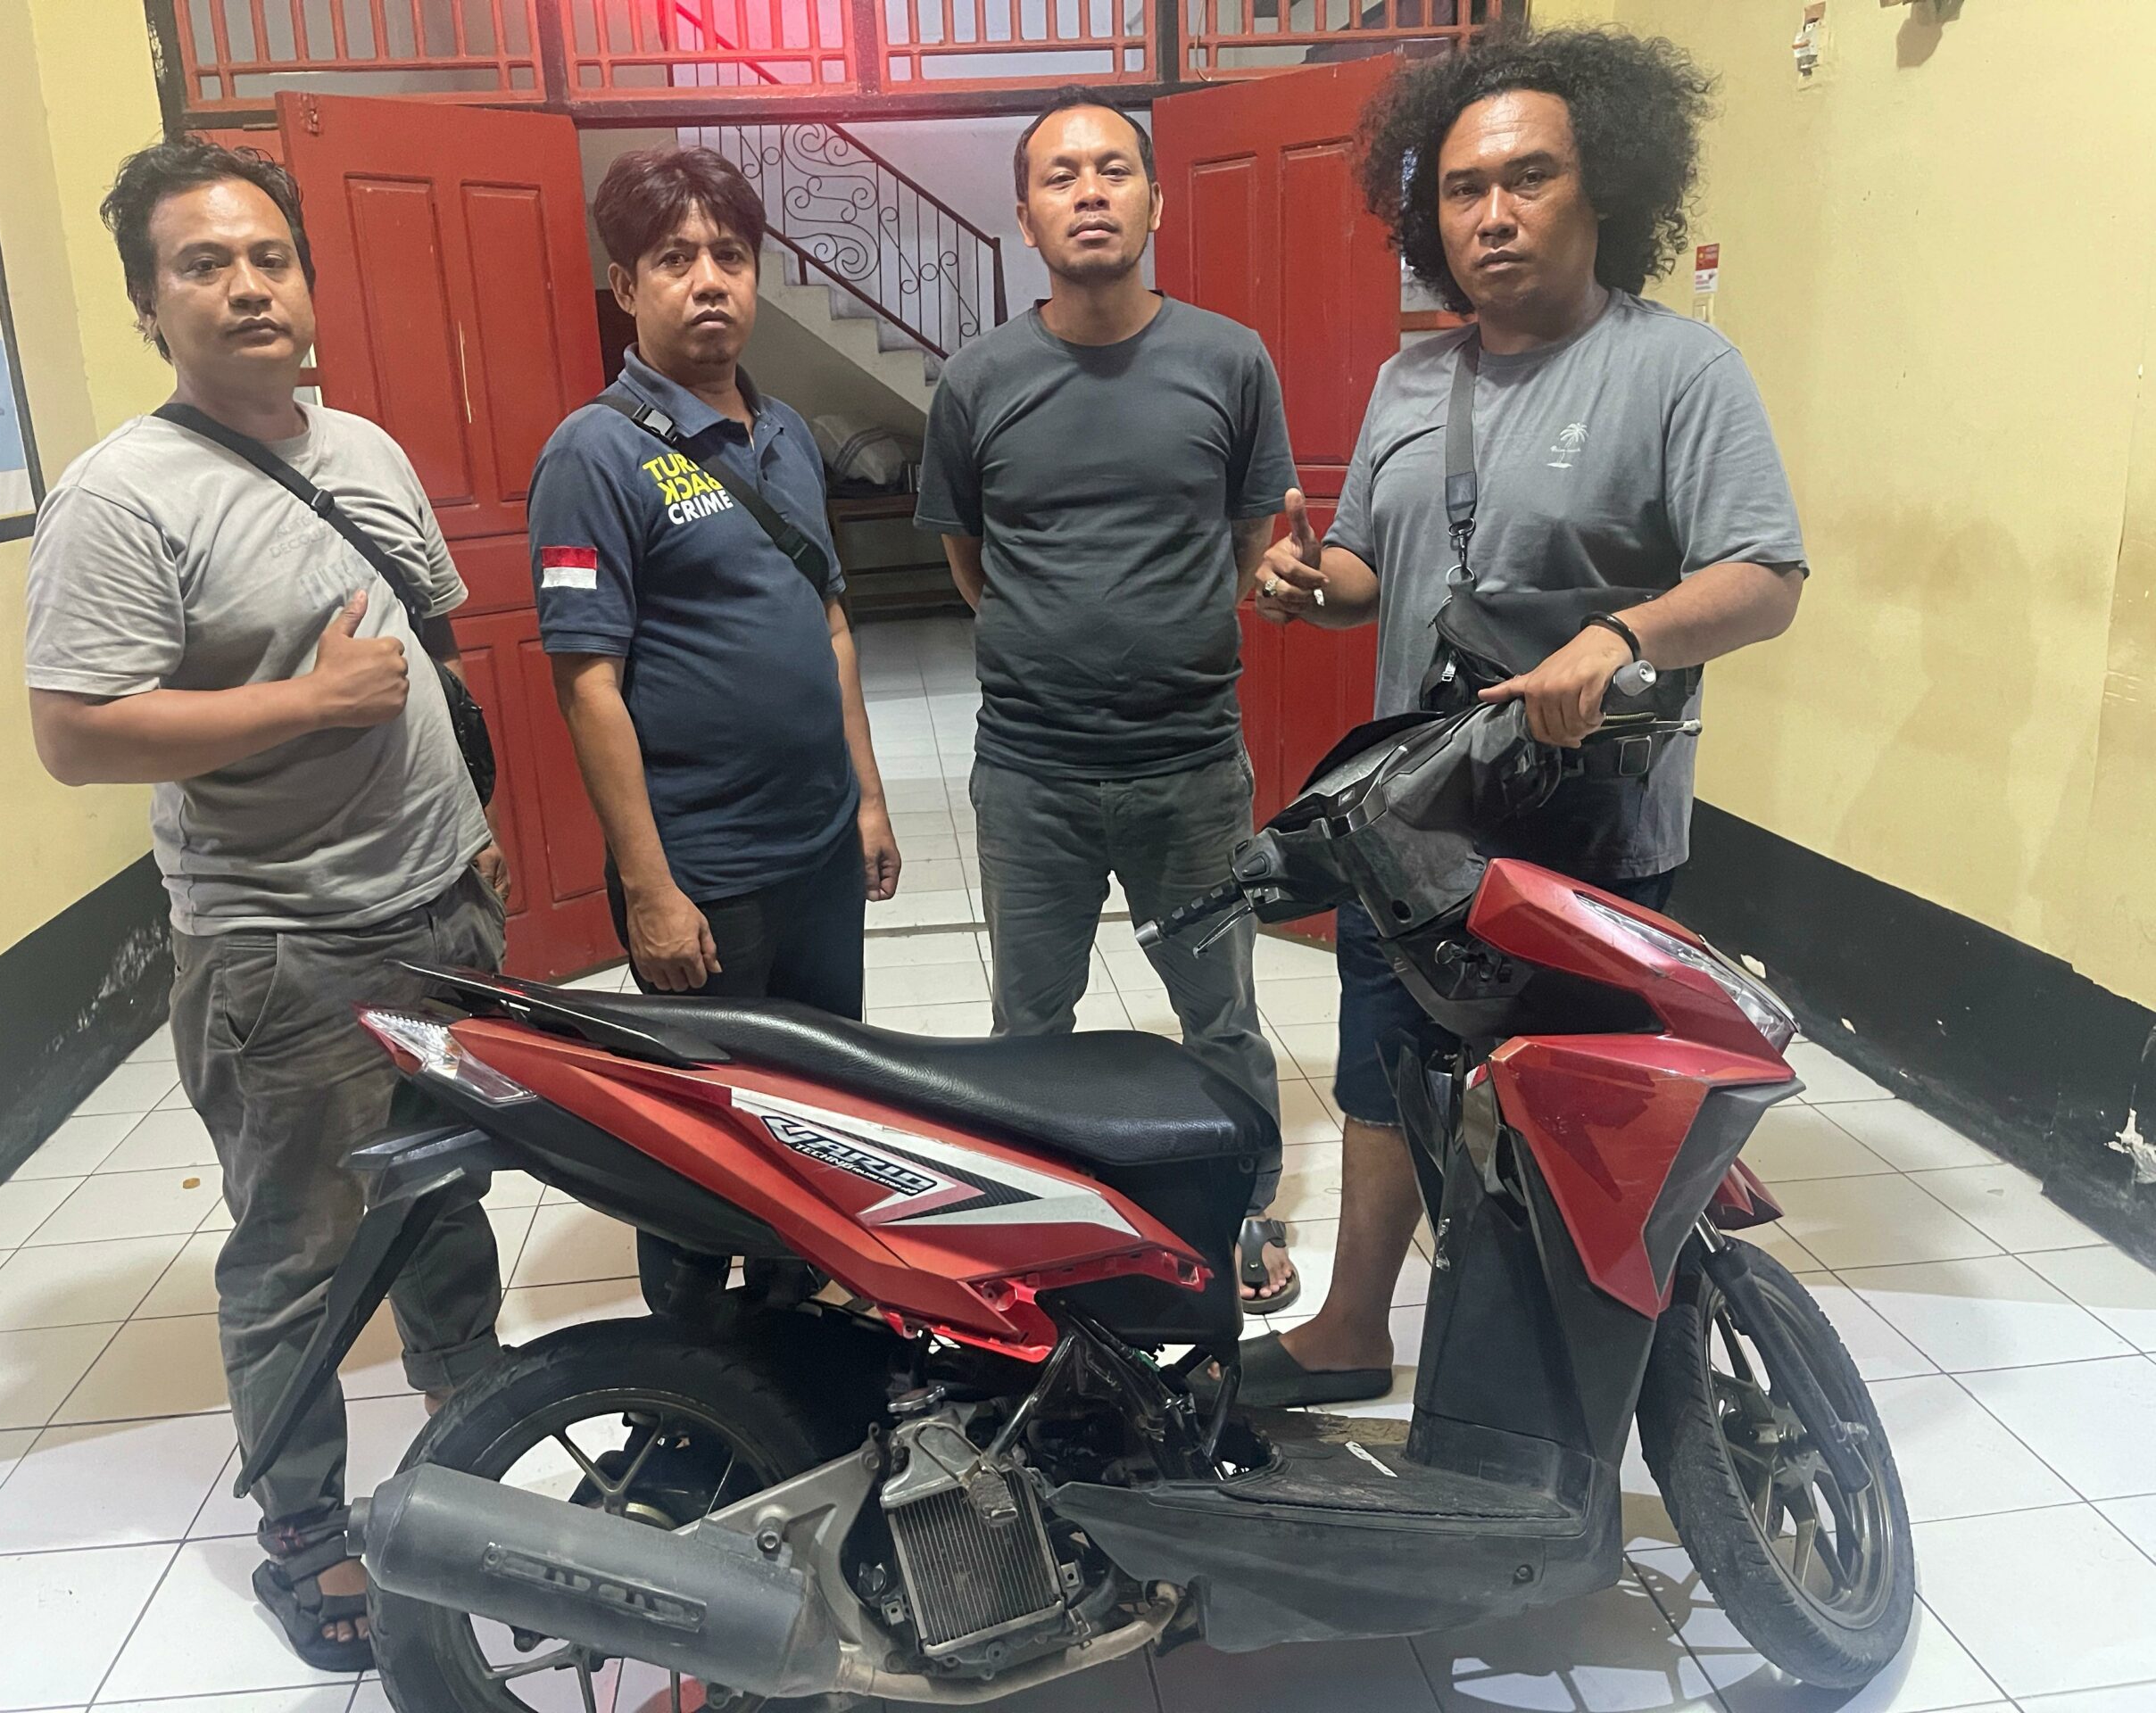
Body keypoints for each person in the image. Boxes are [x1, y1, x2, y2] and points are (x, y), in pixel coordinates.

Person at [1240, 28, 1807, 1406]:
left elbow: (1765, 576)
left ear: (1601, 185)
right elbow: (1372, 569)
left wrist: (1619, 639)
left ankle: (1573, 1384)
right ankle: (1351, 1328)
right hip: (1413, 828)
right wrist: (1310, 585)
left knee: (1571, 1106)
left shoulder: (1680, 370)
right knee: (1382, 1071)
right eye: (1461, 189)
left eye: (1528, 178)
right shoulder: (1410, 381)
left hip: (1585, 841)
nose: (1492, 215)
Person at [24, 139, 510, 1670]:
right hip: (285, 951)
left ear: (305, 279)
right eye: (202, 264)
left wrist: (478, 827)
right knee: (301, 1255)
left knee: (448, 1203)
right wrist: (302, 705)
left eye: (268, 257)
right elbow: (76, 734)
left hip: (445, 914)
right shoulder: (119, 498)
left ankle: (477, 1455)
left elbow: (431, 645)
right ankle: (306, 1537)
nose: (246, 287)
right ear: (148, 304)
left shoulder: (365, 448)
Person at [916, 89, 1304, 1312]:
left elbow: (1248, 542)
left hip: (1191, 770)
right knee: (1031, 1023)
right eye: (1060, 176)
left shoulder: (1229, 360)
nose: (1089, 192)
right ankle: (1047, 1229)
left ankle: (1238, 1213)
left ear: (1154, 200)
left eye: (1113, 170)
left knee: (1220, 1015)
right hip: (1032, 774)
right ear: (1025, 216)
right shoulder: (977, 380)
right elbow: (971, 563)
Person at [528, 146, 900, 1304]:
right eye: (674, 258)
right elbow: (588, 684)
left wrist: (867, 798)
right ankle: (693, 1369)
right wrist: (650, 890)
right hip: (707, 869)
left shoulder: (785, 432)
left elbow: (829, 621)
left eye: (729, 256)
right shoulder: (594, 452)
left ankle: (795, 1338)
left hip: (817, 852)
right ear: (625, 285)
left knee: (817, 1115)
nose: (707, 281)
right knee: (700, 1144)